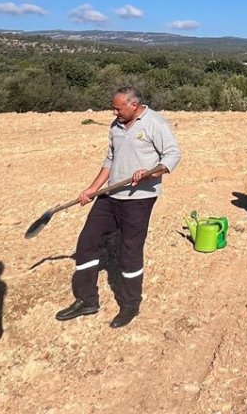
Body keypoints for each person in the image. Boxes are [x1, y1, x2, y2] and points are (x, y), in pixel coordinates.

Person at [58, 86, 180, 329]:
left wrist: (149, 173)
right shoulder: (115, 127)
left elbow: (173, 155)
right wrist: (93, 189)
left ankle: (130, 304)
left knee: (129, 251)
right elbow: (110, 159)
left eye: (118, 108)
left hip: (139, 199)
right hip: (111, 194)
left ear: (133, 105)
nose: (114, 112)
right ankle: (87, 300)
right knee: (87, 242)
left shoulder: (154, 123)